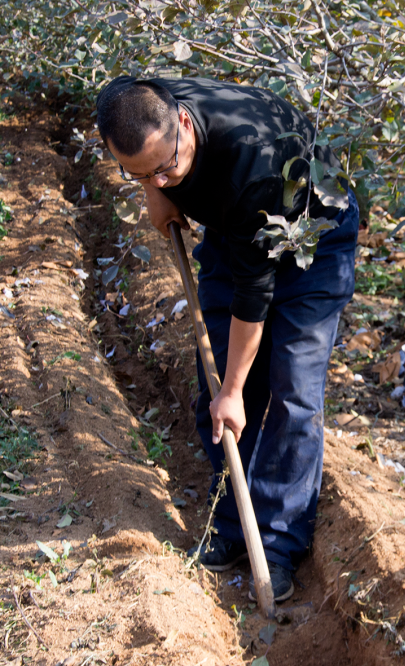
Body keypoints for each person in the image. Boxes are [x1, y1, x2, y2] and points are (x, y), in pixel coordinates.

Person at [96, 76, 357, 603]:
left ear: (183, 123)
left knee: (292, 389)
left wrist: (236, 389)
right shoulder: (137, 106)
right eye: (140, 172)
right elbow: (144, 142)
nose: (161, 179)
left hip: (314, 239)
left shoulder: (251, 163)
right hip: (236, 232)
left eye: (166, 166)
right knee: (215, 393)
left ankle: (278, 544)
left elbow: (252, 296)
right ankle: (236, 525)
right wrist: (153, 190)